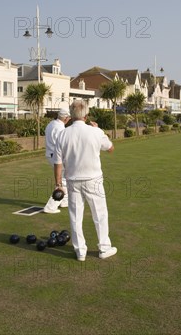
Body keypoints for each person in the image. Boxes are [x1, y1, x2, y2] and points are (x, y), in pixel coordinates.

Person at [53, 100, 117, 261]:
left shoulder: (62, 134)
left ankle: (80, 251)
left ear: (71, 116)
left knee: (75, 216)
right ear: (86, 116)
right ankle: (104, 248)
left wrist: (58, 184)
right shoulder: (95, 132)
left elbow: (58, 163)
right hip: (93, 180)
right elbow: (110, 148)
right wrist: (99, 131)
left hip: (73, 181)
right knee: (100, 214)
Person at [43, 108, 71, 214]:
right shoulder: (60, 128)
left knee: (65, 178)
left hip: (50, 154)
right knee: (62, 179)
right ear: (65, 118)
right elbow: (62, 145)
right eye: (68, 118)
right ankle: (51, 206)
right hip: (56, 156)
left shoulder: (51, 124)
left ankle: (64, 201)